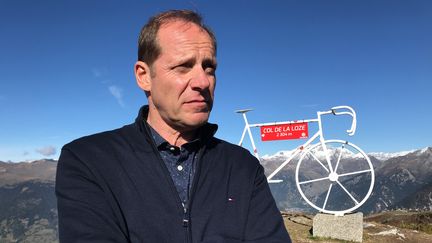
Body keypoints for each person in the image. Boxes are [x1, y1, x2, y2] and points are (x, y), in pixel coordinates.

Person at [56, 9, 291, 243]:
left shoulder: (242, 166)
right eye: (183, 66)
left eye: (209, 68)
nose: (202, 81)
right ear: (143, 76)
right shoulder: (88, 160)